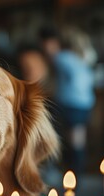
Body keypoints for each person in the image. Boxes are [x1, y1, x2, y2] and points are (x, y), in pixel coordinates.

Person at [39, 26, 96, 175]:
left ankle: (70, 176)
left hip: (71, 104)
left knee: (66, 140)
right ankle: (75, 176)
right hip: (85, 104)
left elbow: (75, 80)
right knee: (77, 141)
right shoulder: (79, 57)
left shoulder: (61, 57)